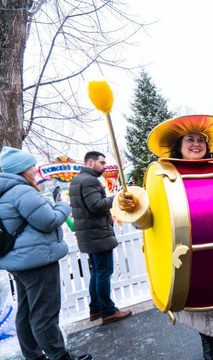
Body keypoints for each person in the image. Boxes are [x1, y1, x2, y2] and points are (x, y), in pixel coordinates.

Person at [116, 115, 213, 360]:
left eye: (201, 139)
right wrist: (134, 210)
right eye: (190, 139)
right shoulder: (164, 177)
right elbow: (149, 222)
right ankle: (209, 354)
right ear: (179, 144)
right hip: (190, 270)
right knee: (201, 315)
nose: (196, 144)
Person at [0, 146, 92, 360]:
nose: (35, 169)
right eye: (31, 166)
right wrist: (62, 206)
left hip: (19, 260)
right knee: (44, 314)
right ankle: (59, 356)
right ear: (21, 169)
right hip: (37, 260)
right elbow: (48, 220)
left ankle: (34, 356)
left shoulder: (6, 191)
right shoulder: (21, 191)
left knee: (25, 312)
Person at [69, 151, 132, 325]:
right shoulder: (89, 181)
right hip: (98, 235)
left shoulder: (76, 180)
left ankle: (95, 308)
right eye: (102, 163)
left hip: (89, 235)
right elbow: (96, 206)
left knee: (97, 272)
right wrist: (116, 198)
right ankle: (108, 311)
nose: (104, 167)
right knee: (104, 272)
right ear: (90, 162)